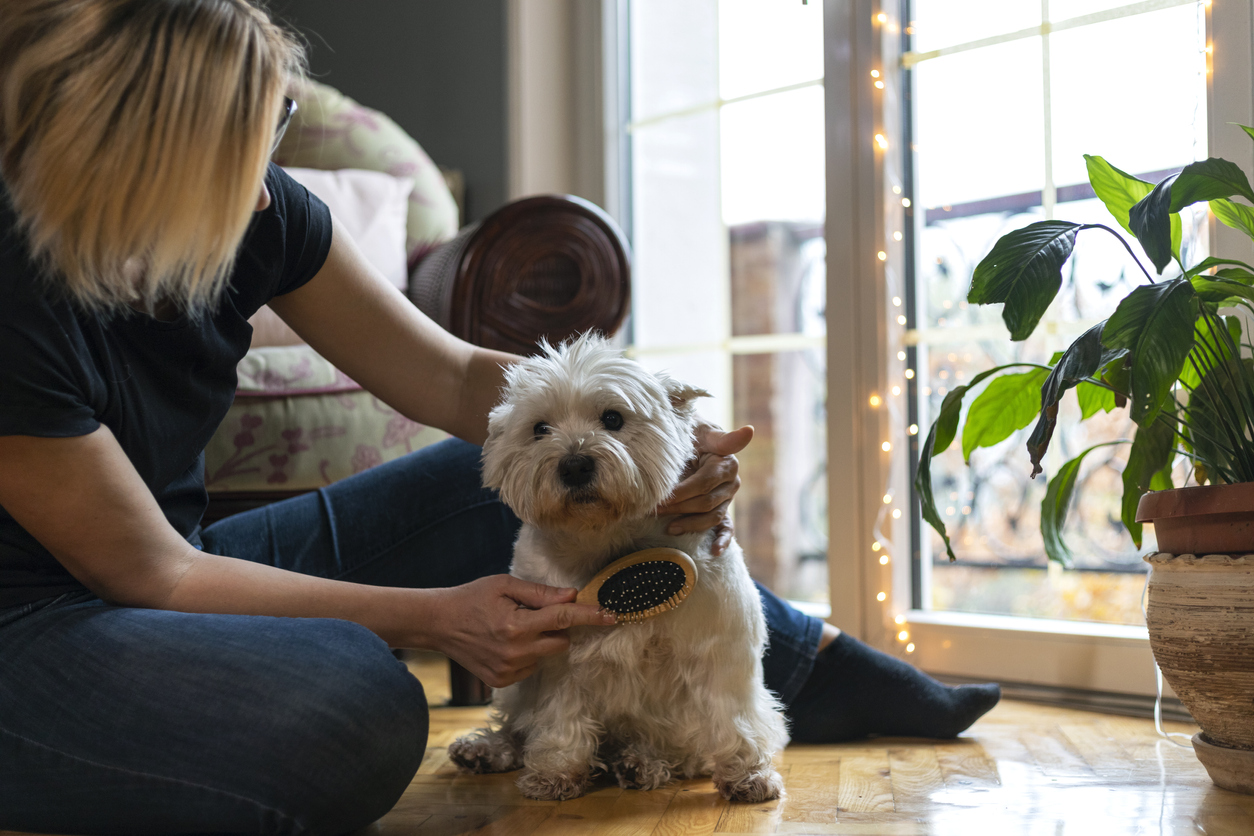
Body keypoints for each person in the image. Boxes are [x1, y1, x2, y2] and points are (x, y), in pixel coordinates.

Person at [0, 1, 1000, 833]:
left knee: (512, 469)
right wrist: (435, 619)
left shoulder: (264, 217)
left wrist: (652, 439)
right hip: (39, 623)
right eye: (247, 153)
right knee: (355, 706)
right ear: (148, 162)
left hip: (177, 555)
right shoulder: (13, 281)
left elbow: (451, 376)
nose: (269, 185)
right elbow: (147, 572)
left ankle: (802, 660)